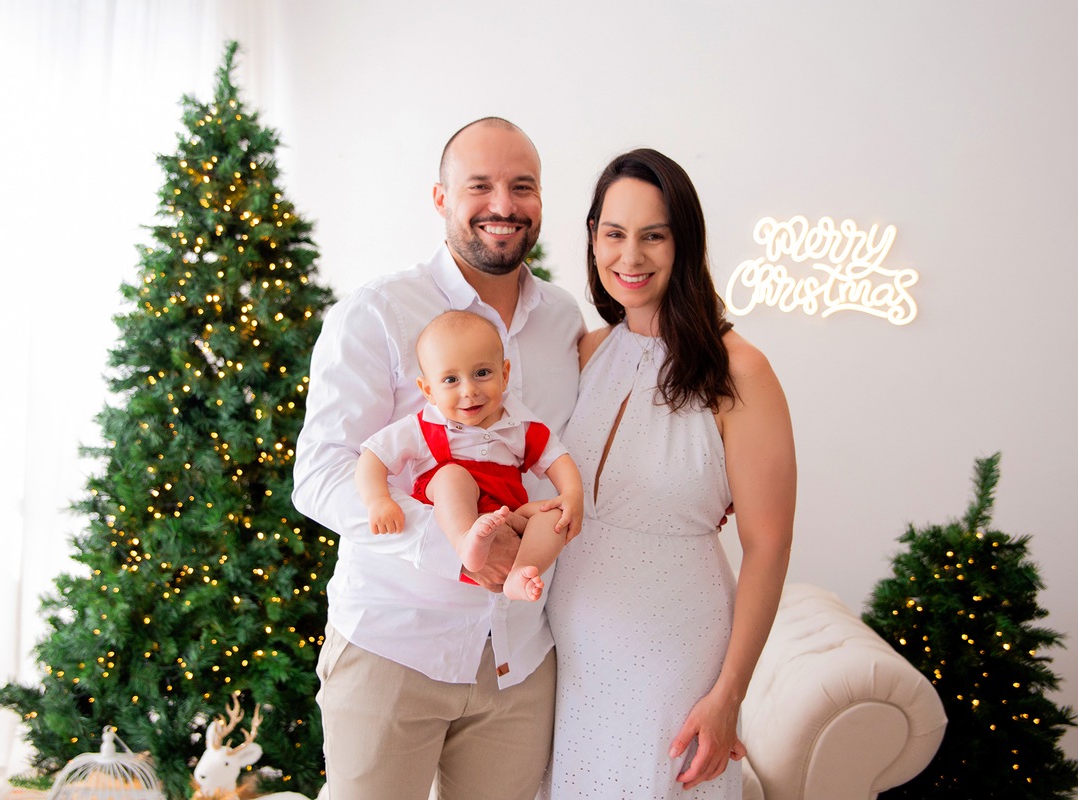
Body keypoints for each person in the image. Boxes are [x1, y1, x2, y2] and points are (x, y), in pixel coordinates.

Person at [291, 118, 585, 800]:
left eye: (523, 186)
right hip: (394, 646)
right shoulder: (378, 312)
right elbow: (322, 473)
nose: (503, 205)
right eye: (479, 185)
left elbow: (562, 449)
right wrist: (455, 545)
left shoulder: (564, 320)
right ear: (440, 198)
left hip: (517, 661)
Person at [544, 149, 796, 798]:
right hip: (568, 661)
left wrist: (728, 694)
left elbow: (767, 545)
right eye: (614, 234)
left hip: (674, 656)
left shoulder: (741, 371)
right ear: (593, 239)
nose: (631, 257)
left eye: (654, 235)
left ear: (685, 242)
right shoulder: (588, 351)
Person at [355, 310, 584, 602]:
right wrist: (378, 500)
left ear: (504, 375)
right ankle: (465, 541)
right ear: (428, 390)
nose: (469, 390)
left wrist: (573, 494)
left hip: (507, 517)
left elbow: (557, 458)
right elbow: (373, 457)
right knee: (452, 475)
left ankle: (522, 570)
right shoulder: (425, 427)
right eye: (450, 379)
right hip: (456, 519)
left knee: (553, 516)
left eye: (482, 373)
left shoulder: (518, 425)